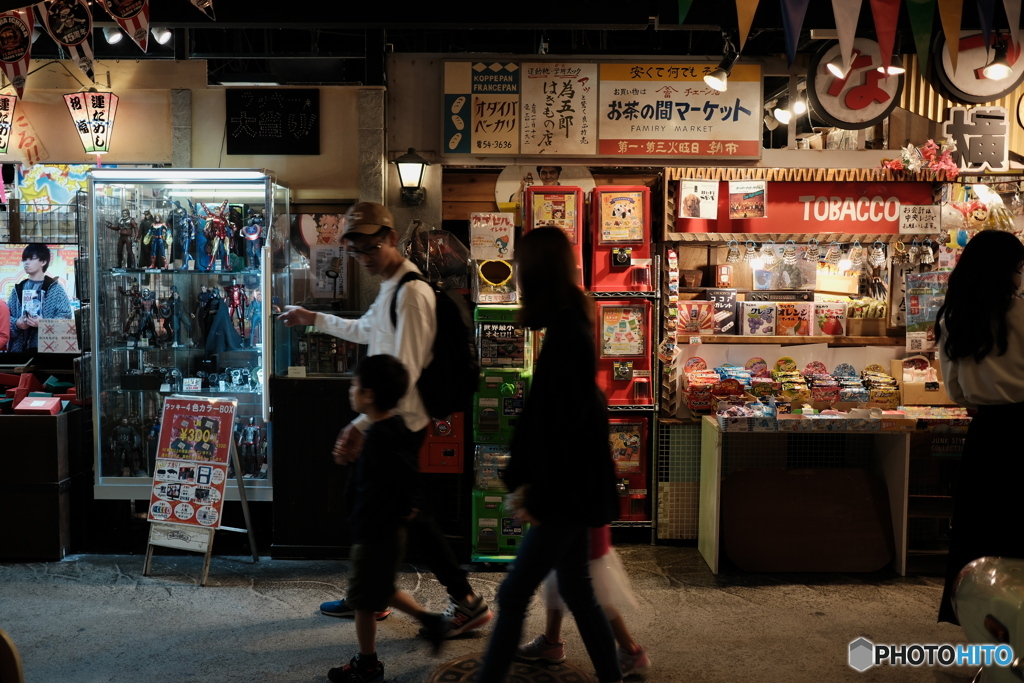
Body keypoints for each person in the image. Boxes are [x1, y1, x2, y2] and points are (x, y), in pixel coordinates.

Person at [279, 201, 491, 637]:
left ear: (391, 239)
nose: (365, 259)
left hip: (400, 425)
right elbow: (365, 331)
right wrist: (312, 319)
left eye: (371, 249)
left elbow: (406, 374)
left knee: (404, 514)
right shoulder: (391, 287)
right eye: (356, 253)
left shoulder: (411, 294)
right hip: (386, 423)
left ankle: (459, 602)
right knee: (391, 514)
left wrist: (358, 426)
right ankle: (373, 594)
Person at [477, 227, 622, 683]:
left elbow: (560, 426)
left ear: (534, 271)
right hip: (571, 490)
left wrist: (532, 485)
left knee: (515, 592)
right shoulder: (569, 323)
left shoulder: (565, 334)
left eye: (520, 265)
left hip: (562, 493)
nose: (515, 274)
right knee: (577, 590)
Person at [935, 229, 1024, 625]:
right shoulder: (1022, 315)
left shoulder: (956, 319)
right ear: (1009, 272)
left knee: (979, 533)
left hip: (986, 436)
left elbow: (955, 389)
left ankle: (980, 622)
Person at [325, 354, 422, 683]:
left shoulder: (379, 439)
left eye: (355, 385)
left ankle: (367, 665)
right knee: (381, 588)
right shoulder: (393, 427)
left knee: (363, 603)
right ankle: (431, 621)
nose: (350, 390)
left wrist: (404, 504)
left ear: (369, 395)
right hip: (384, 530)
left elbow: (395, 478)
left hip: (374, 532)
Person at [516, 524, 651, 676]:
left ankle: (632, 652)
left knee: (597, 604)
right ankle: (550, 643)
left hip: (582, 543)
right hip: (574, 539)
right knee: (555, 589)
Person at [7, 243, 73, 352]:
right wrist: (17, 324)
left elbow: (66, 318)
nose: (26, 263)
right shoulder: (17, 289)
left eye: (31, 259)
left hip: (47, 351)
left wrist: (44, 324)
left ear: (43, 262)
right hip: (18, 351)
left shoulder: (56, 289)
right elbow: (6, 317)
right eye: (25, 259)